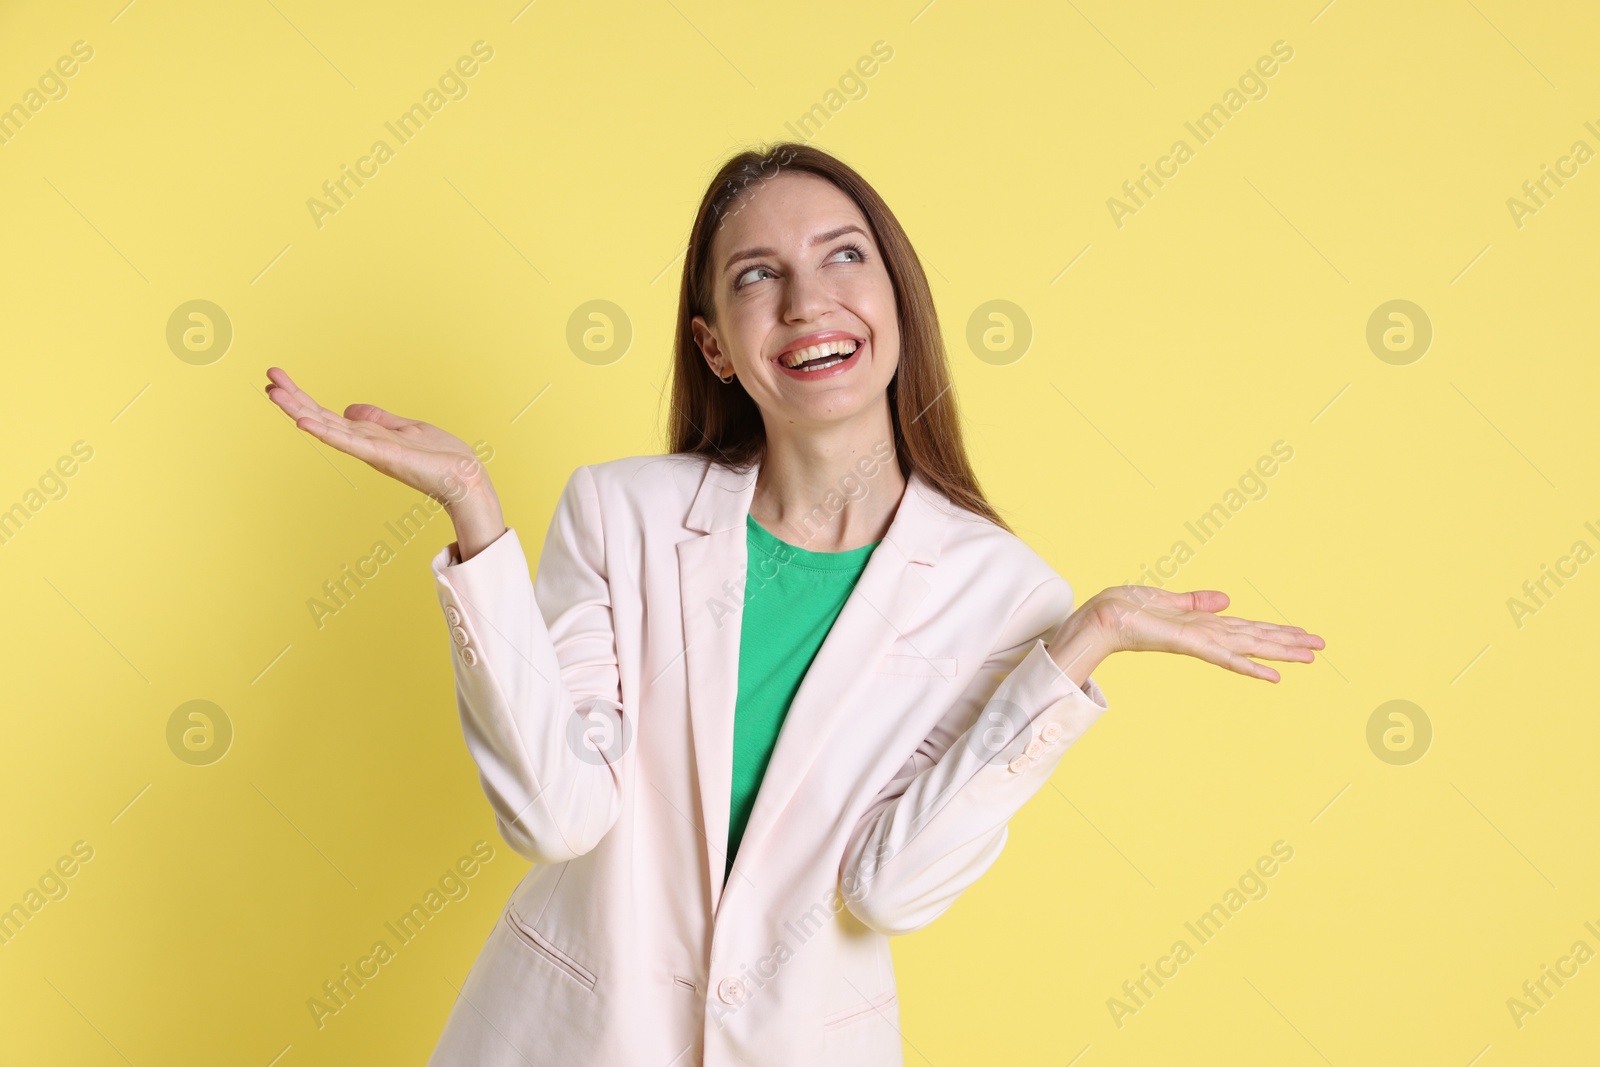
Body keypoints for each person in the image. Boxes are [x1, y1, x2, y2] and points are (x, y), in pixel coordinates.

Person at [265, 141, 1322, 1066]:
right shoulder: (618, 511)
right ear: (717, 345)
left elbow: (891, 887)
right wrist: (476, 519)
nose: (807, 301)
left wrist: (1079, 646)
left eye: (842, 255)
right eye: (757, 275)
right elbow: (555, 812)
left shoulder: (1004, 595)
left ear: (897, 301)